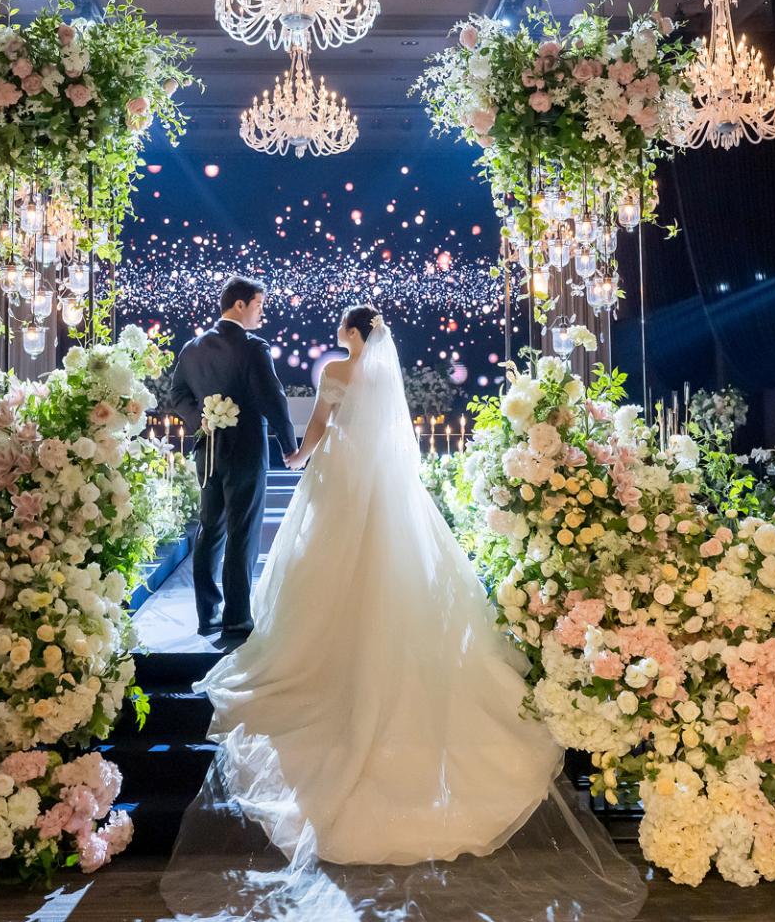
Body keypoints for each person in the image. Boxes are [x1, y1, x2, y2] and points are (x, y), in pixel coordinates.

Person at [162, 305, 645, 921]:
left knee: (323, 574)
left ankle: (326, 652)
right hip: (386, 487)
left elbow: (319, 426)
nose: (339, 334)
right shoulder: (385, 377)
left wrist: (297, 457)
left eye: (343, 327)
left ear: (353, 333)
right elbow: (395, 438)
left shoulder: (335, 369)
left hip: (338, 483)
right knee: (397, 570)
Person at [167, 275, 297, 649]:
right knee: (243, 531)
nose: (261, 313)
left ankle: (207, 614)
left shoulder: (192, 347)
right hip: (245, 451)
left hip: (207, 451)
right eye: (259, 305)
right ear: (239, 305)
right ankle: (237, 620)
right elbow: (273, 398)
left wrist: (200, 419)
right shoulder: (253, 347)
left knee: (210, 529)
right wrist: (289, 445)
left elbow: (177, 395)